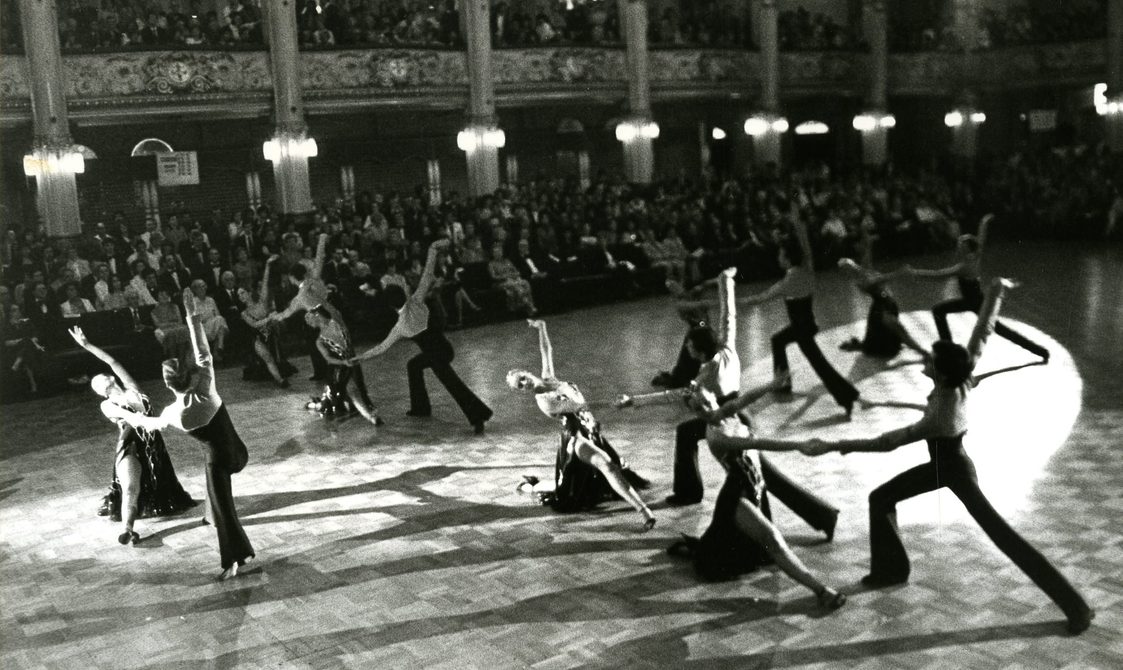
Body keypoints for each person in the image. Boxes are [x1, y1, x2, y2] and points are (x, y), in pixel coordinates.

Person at [787, 278, 1093, 634]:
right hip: (946, 465)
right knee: (881, 498)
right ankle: (891, 570)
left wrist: (832, 445)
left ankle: (1077, 609)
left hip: (954, 471)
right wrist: (996, 291)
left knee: (1006, 539)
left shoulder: (940, 414)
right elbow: (982, 331)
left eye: (931, 359)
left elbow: (888, 442)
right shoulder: (962, 377)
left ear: (941, 371)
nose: (925, 359)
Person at [619, 268, 840, 541]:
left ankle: (819, 517)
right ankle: (692, 493)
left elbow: (674, 394)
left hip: (725, 420)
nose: (686, 350)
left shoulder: (705, 373)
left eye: (689, 347)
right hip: (737, 413)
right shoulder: (727, 349)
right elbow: (729, 316)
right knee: (691, 436)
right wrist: (726, 282)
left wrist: (634, 402)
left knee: (762, 476)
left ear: (699, 350)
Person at [100, 291, 255, 580]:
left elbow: (147, 423)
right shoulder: (207, 388)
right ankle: (210, 516)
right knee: (216, 499)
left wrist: (122, 414)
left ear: (167, 384)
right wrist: (192, 316)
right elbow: (203, 351)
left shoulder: (174, 413)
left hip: (219, 461)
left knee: (226, 513)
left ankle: (235, 560)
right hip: (239, 451)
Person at [658, 378, 847, 609]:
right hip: (737, 496)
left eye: (706, 403)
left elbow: (746, 398)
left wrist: (772, 384)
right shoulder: (716, 435)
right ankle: (821, 591)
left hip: (755, 487)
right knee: (774, 540)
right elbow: (759, 443)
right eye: (698, 409)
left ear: (713, 398)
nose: (705, 411)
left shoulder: (726, 412)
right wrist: (798, 445)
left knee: (752, 543)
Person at [507, 320, 655, 529]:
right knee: (607, 468)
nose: (524, 384)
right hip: (576, 437)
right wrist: (612, 404)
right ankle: (644, 511)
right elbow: (580, 405)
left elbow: (546, 350)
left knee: (579, 484)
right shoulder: (545, 402)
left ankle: (533, 485)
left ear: (527, 372)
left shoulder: (549, 377)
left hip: (588, 428)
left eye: (522, 378)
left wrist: (542, 327)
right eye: (520, 386)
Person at [68, 326, 196, 544]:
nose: (99, 379)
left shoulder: (132, 389)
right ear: (100, 392)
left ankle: (130, 526)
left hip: (153, 447)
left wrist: (87, 345)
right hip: (131, 446)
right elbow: (138, 421)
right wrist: (169, 420)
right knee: (129, 488)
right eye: (95, 383)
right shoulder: (107, 406)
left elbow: (113, 362)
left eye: (101, 376)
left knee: (151, 487)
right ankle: (128, 529)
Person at [351, 239, 493, 434]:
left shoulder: (400, 326)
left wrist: (359, 358)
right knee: (414, 365)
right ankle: (420, 408)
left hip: (436, 357)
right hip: (445, 349)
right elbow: (427, 274)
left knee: (452, 383)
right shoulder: (417, 301)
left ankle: (478, 417)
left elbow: (381, 348)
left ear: (391, 306)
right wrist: (432, 249)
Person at [740, 213, 859, 417]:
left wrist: (733, 301)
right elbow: (806, 248)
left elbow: (761, 298)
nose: (778, 257)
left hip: (801, 330)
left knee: (820, 365)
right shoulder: (807, 269)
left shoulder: (789, 281)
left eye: (780, 255)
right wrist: (798, 224)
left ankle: (846, 396)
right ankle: (784, 382)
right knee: (778, 340)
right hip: (807, 324)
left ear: (787, 258)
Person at [905, 214, 1050, 363]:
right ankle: (1041, 351)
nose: (958, 247)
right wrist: (983, 223)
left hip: (973, 302)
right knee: (941, 311)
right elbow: (981, 239)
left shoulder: (963, 267)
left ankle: (948, 350)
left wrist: (915, 273)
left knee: (941, 312)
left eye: (961, 245)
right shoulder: (975, 255)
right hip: (978, 301)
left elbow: (938, 275)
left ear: (967, 249)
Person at [305, 305, 383, 426]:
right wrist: (343, 362)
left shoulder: (336, 322)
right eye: (307, 320)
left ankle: (371, 416)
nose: (308, 321)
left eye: (309, 317)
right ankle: (312, 404)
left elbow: (331, 309)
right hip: (337, 370)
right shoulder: (320, 341)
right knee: (329, 405)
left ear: (317, 315)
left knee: (355, 392)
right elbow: (328, 359)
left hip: (350, 363)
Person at [836, 257, 927, 359]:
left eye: (850, 265)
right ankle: (922, 352)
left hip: (888, 302)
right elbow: (877, 281)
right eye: (846, 269)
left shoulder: (865, 271)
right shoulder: (858, 281)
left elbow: (874, 273)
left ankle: (920, 350)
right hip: (881, 305)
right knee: (897, 328)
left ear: (853, 264)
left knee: (897, 329)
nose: (851, 268)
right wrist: (899, 273)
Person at [272, 233, 331, 381]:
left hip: (317, 315)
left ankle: (324, 370)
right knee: (316, 343)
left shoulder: (305, 288)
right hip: (316, 314)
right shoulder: (310, 282)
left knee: (317, 342)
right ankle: (321, 371)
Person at [239, 255, 295, 387]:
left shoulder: (262, 303)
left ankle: (280, 377)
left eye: (242, 293)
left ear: (248, 292)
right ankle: (280, 380)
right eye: (238, 295)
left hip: (271, 333)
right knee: (268, 358)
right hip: (257, 337)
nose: (241, 296)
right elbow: (254, 324)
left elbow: (264, 282)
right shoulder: (244, 313)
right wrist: (269, 317)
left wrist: (268, 265)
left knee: (274, 356)